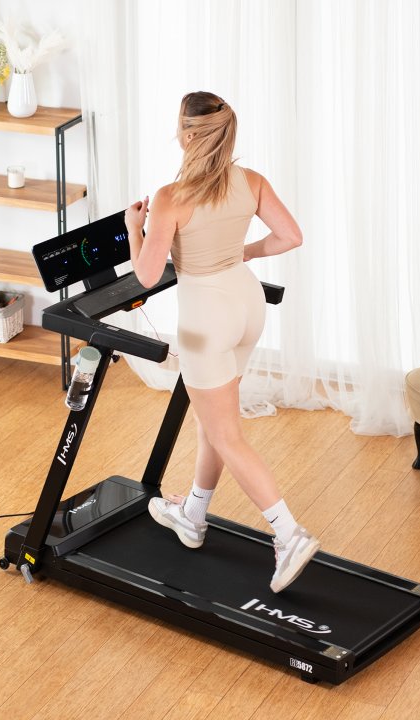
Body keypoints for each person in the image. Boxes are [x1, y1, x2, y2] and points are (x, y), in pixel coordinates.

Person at [123, 91, 319, 594]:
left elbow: (147, 275)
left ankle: (288, 535)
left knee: (226, 433)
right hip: (247, 306)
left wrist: (134, 229)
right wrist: (243, 252)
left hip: (205, 321)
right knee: (214, 419)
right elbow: (290, 236)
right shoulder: (251, 181)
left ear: (189, 135)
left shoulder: (171, 197)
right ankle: (193, 514)